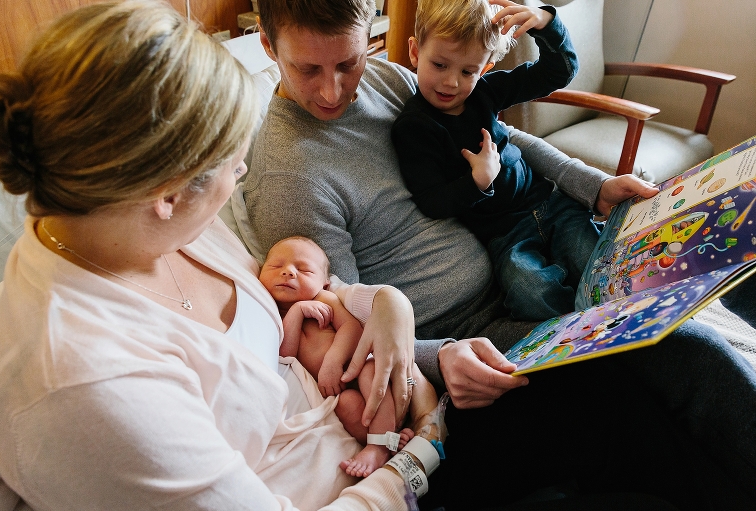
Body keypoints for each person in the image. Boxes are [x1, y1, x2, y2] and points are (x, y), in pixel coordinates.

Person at [242, 0, 756, 508]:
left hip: (517, 274)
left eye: (347, 63)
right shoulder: (290, 175)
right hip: (471, 342)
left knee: (692, 316)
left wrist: (592, 185)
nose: (334, 90)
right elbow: (340, 322)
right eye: (308, 69)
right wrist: (439, 356)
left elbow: (503, 142)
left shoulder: (388, 81)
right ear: (268, 45)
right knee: (668, 367)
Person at [0, 1, 442, 509]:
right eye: (233, 165)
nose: (242, 175)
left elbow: (301, 294)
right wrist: (421, 453)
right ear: (168, 193)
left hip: (361, 434)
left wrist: (385, 305)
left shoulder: (158, 231)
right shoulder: (92, 383)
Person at [391, 0, 600, 321]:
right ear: (416, 52)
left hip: (550, 204)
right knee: (531, 294)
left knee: (601, 264)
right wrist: (477, 182)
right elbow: (431, 202)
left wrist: (547, 23)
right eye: (439, 65)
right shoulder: (413, 128)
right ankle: (581, 341)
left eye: (468, 71)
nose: (451, 82)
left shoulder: (483, 92)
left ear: (485, 67)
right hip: (505, 235)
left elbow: (560, 71)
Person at [258, 236, 441, 478]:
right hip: (341, 393)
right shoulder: (269, 310)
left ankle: (378, 446)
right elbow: (286, 356)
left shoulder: (324, 299)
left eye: (304, 270)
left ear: (324, 283)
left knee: (369, 371)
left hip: (358, 369)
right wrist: (296, 312)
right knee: (346, 406)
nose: (288, 272)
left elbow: (352, 329)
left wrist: (334, 361)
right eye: (275, 266)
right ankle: (391, 438)